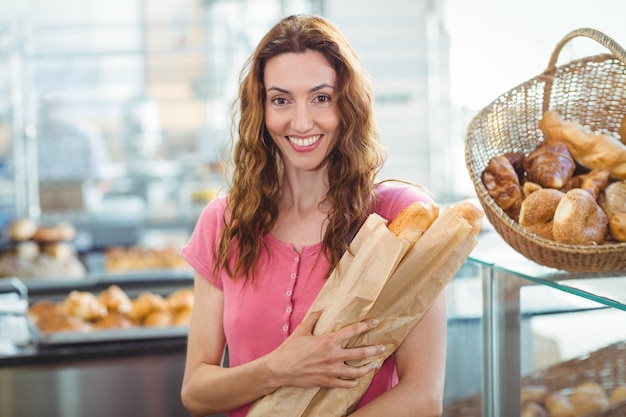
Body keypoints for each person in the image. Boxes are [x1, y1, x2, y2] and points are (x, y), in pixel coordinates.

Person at [180, 14, 446, 417]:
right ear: (262, 109)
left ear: (348, 104)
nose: (301, 122)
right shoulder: (225, 222)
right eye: (281, 100)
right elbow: (196, 392)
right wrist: (278, 368)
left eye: (321, 98)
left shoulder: (400, 217)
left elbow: (423, 398)